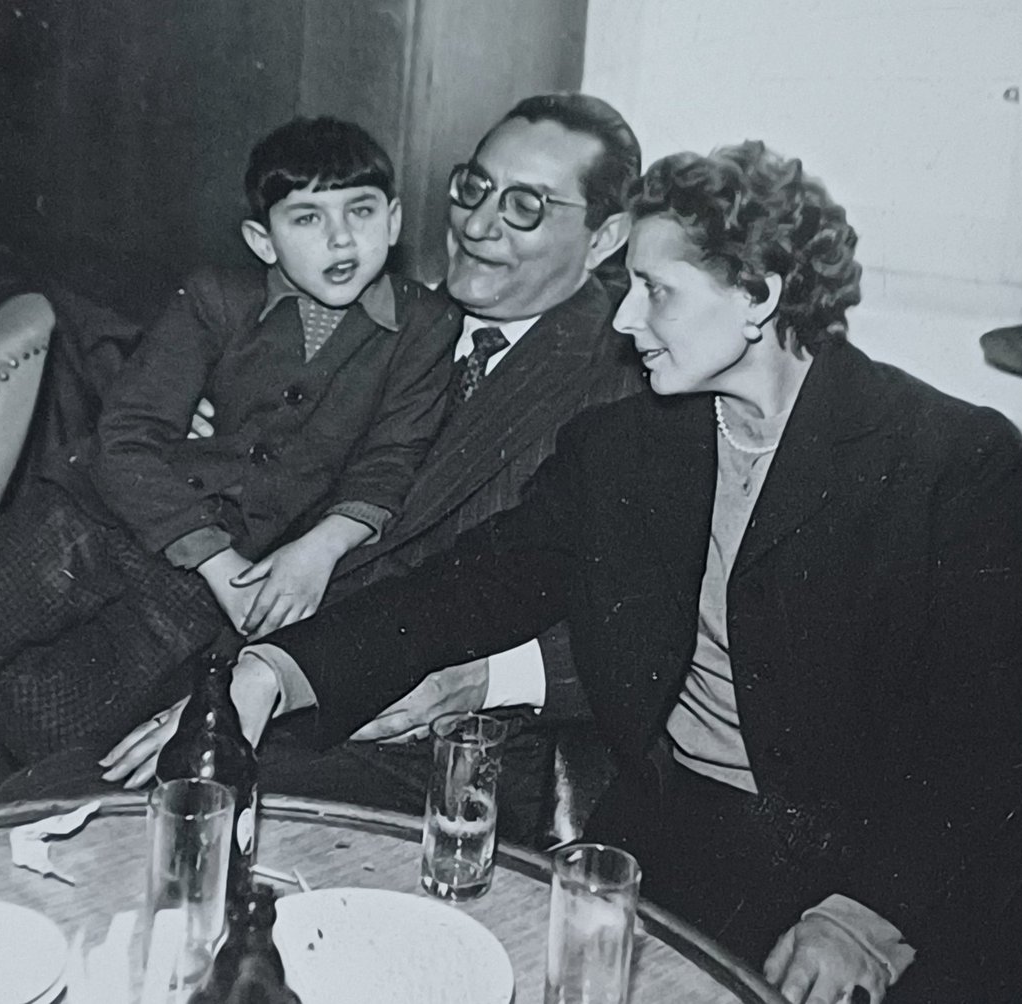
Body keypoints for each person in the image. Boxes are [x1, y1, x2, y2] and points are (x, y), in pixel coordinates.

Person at [117, 141, 1022, 1001]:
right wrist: (272, 669)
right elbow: (471, 584)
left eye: (655, 291)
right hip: (677, 831)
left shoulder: (952, 459)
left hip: (877, 863)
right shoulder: (629, 445)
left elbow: (987, 739)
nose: (626, 321)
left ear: (759, 294)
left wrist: (866, 917)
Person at [0, 115, 455, 831]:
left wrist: (321, 546)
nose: (342, 239)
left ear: (396, 218)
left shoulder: (425, 326)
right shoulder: (216, 298)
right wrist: (219, 563)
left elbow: (390, 459)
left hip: (196, 602)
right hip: (98, 525)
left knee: (41, 726)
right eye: (308, 218)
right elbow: (125, 436)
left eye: (362, 211)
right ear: (263, 240)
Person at [103, 93, 644, 842]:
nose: (479, 225)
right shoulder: (386, 299)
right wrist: (217, 416)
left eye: (526, 206)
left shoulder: (627, 379)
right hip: (244, 643)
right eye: (474, 188)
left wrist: (490, 677)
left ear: (605, 235)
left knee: (142, 840)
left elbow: (654, 617)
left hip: (412, 735)